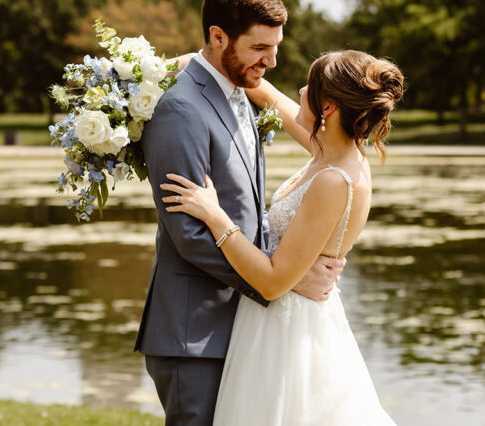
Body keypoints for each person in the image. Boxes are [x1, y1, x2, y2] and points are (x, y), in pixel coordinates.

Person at [135, 0, 344, 426]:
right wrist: (278, 282)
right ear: (217, 36)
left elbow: (249, 211)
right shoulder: (180, 109)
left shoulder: (241, 95)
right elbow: (189, 234)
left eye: (276, 47)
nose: (271, 61)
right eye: (259, 48)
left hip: (240, 327)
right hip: (193, 335)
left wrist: (283, 269)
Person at [163, 49, 403, 425]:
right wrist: (189, 61)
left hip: (288, 333)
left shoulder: (333, 179)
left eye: (310, 86)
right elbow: (268, 95)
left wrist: (216, 216)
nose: (300, 91)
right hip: (277, 321)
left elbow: (274, 282)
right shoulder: (331, 152)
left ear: (328, 108)